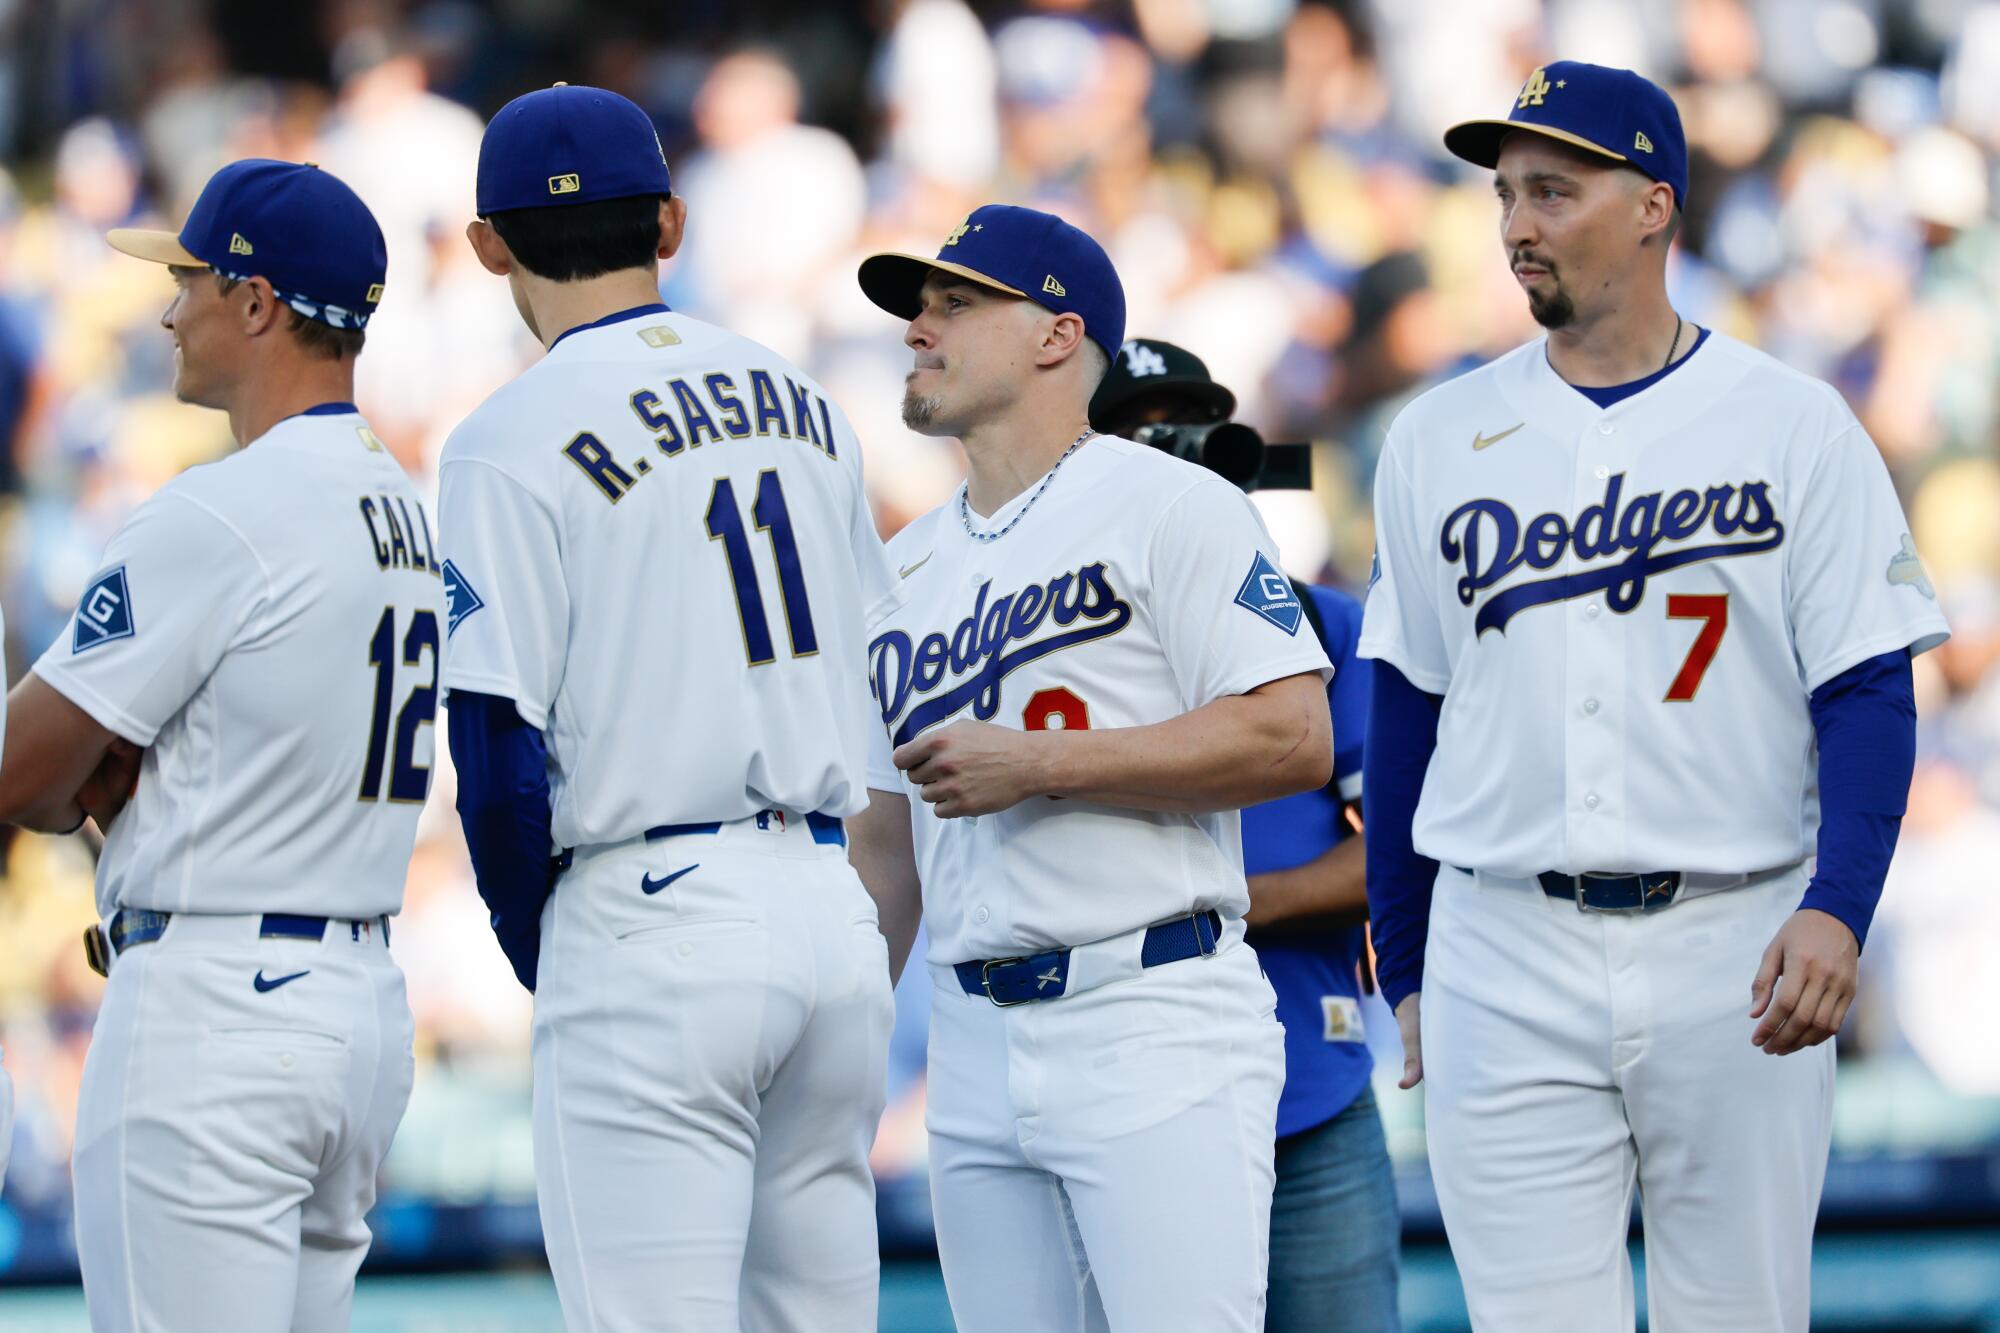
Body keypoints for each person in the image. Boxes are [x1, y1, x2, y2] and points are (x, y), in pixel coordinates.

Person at [1360, 62, 1951, 1331]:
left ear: (1652, 206)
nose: (1517, 225)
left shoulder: (1791, 424)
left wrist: (1836, 908)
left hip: (1730, 938)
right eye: (1506, 195)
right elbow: (1406, 707)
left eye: (1553, 192)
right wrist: (1406, 958)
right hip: (1499, 943)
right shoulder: (1432, 437)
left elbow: (1865, 689)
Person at [437, 85, 899, 1332]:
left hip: (648, 911)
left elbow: (493, 751)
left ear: (489, 242)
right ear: (670, 225)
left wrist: (554, 945)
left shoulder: (502, 436)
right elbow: (879, 691)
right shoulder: (805, 403)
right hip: (820, 900)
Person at [846, 205, 1334, 1332]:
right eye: (916, 308)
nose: (918, 328)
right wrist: (840, 1043)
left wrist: (1042, 762)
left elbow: (1289, 735)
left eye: (954, 303)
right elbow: (883, 850)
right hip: (969, 1039)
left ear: (1055, 336)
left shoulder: (1176, 504)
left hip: (1148, 1009)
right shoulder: (895, 567)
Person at [0, 158, 436, 1331]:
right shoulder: (404, 503)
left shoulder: (219, 508)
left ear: (257, 303)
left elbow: (22, 773)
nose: (166, 310)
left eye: (191, 279)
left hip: (216, 1008)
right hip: (350, 1001)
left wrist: (89, 773)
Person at [1091, 337, 1401, 1331]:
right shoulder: (1051, 641)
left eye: (1189, 435)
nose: (1171, 462)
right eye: (1136, 442)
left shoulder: (1320, 623)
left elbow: (1396, 849)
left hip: (1304, 1083)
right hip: (1120, 1088)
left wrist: (1224, 906)